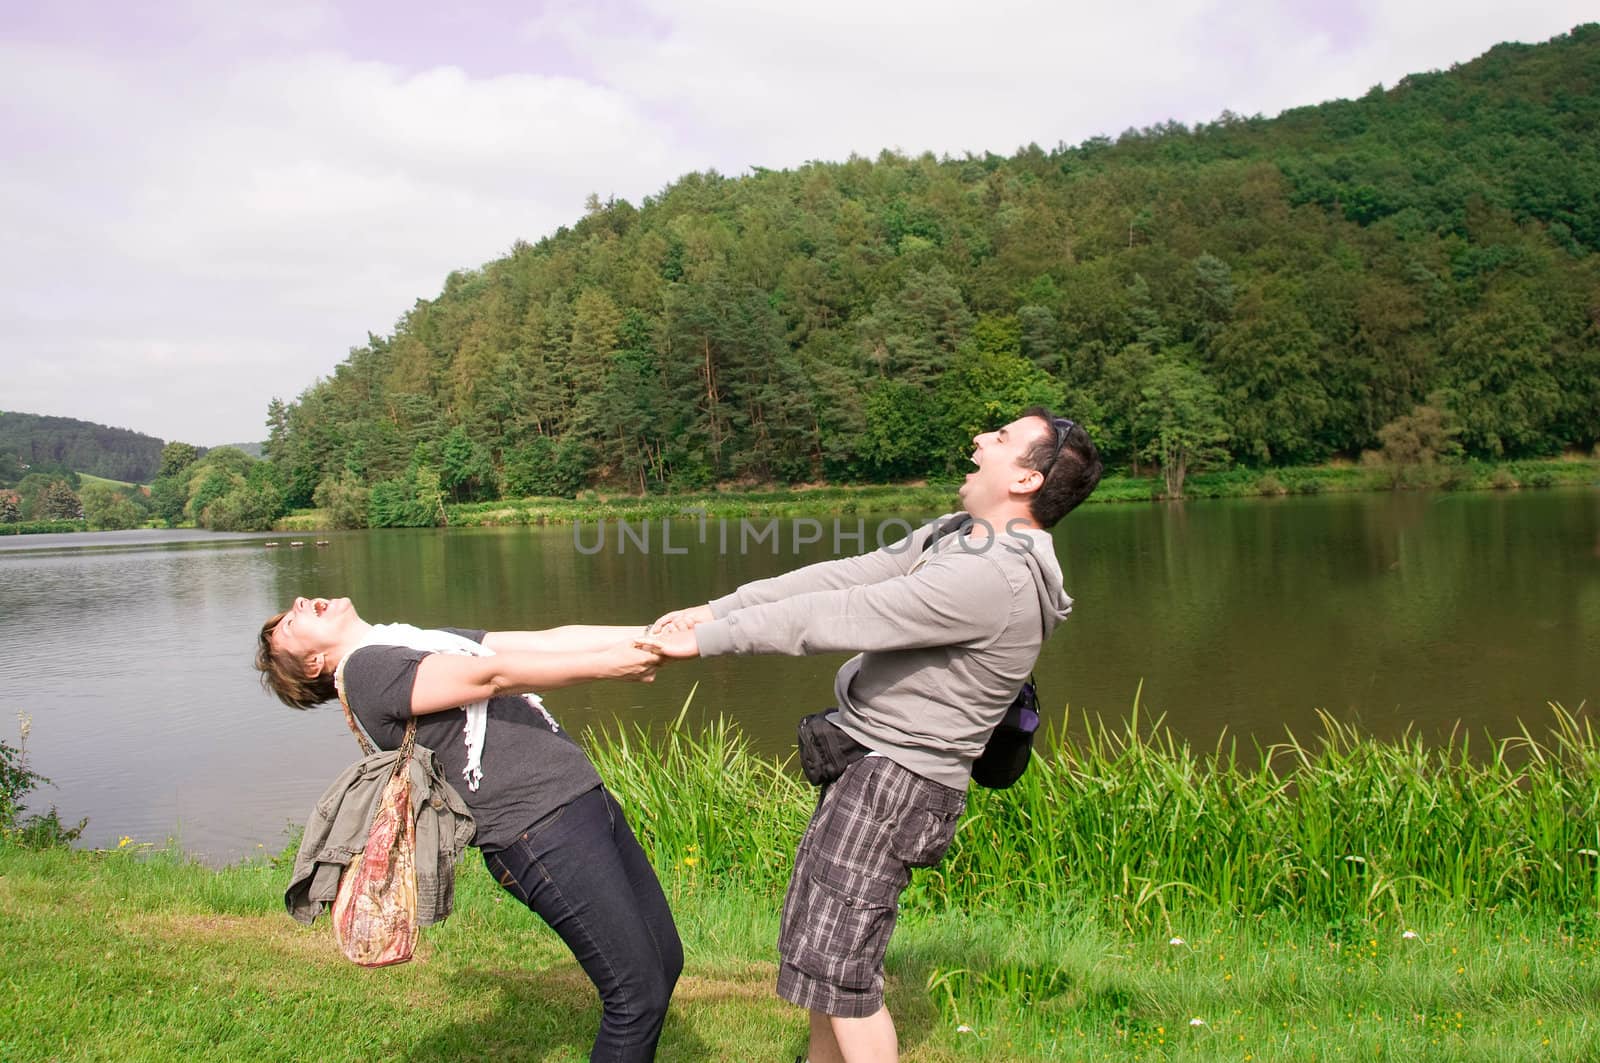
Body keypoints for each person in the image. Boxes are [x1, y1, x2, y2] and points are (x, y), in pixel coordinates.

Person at [639, 407, 1101, 1063]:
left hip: (897, 786)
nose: (977, 438)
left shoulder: (991, 574)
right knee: (824, 961)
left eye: (999, 439)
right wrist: (719, 608)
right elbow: (849, 576)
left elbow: (848, 614)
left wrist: (706, 640)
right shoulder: (963, 537)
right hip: (874, 769)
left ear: (1027, 478)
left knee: (844, 974)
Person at [256, 598, 682, 1063]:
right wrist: (606, 666)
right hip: (535, 830)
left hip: (578, 801)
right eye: (293, 622)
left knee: (664, 959)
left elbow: (545, 640)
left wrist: (656, 630)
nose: (299, 604)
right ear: (315, 663)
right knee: (634, 997)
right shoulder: (365, 670)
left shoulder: (413, 641)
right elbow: (490, 676)